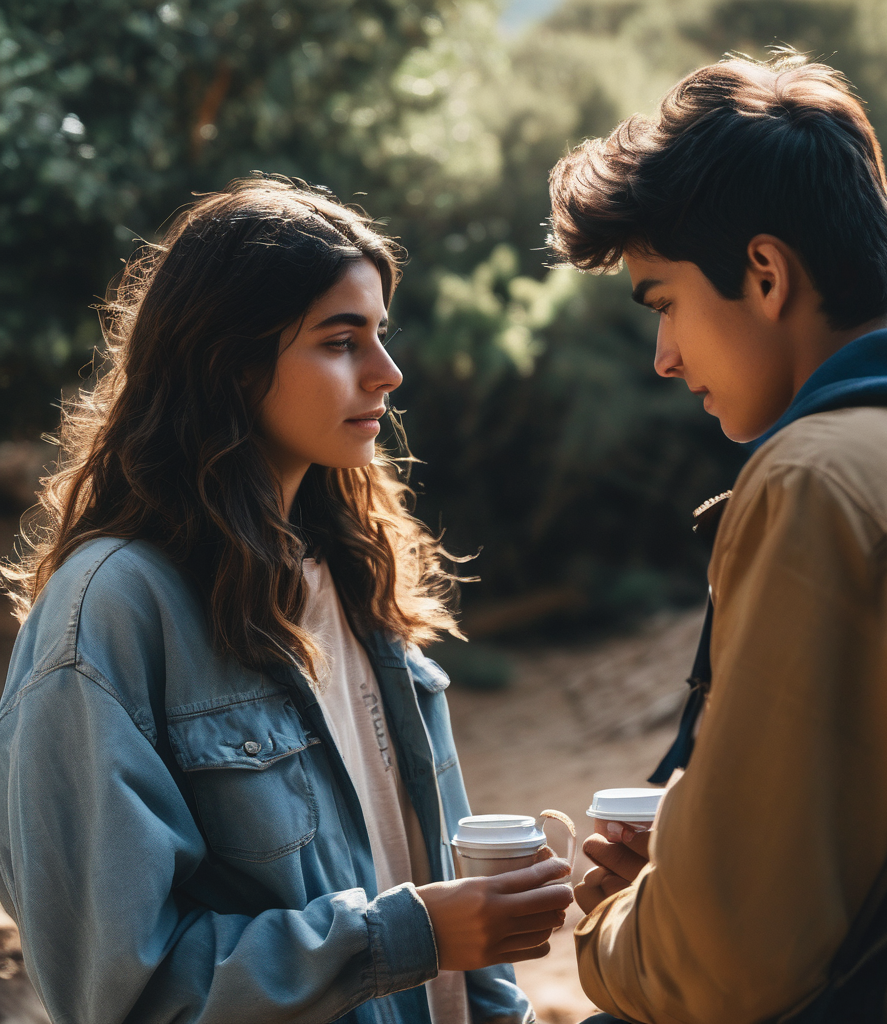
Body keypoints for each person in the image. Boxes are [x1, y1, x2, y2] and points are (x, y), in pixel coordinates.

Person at [0, 175, 572, 1024]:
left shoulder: (355, 574)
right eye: (342, 341)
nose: (388, 371)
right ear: (228, 362)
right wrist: (408, 936)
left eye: (380, 334)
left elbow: (448, 900)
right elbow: (117, 988)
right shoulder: (110, 613)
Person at [547, 53, 887, 1023]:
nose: (664, 357)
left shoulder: (825, 481)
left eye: (664, 301)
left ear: (764, 274)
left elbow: (726, 965)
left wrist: (620, 920)